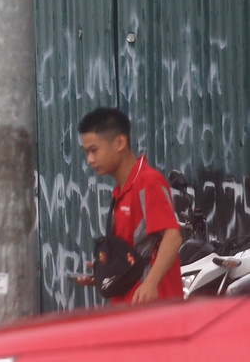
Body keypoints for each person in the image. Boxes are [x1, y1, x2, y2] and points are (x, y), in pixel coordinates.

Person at [74, 106, 183, 303]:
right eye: (86, 152)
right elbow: (134, 256)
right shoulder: (122, 191)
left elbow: (173, 236)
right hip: (128, 309)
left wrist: (151, 283)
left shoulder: (148, 182)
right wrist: (106, 274)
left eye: (94, 150)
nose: (90, 159)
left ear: (120, 142)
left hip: (155, 312)